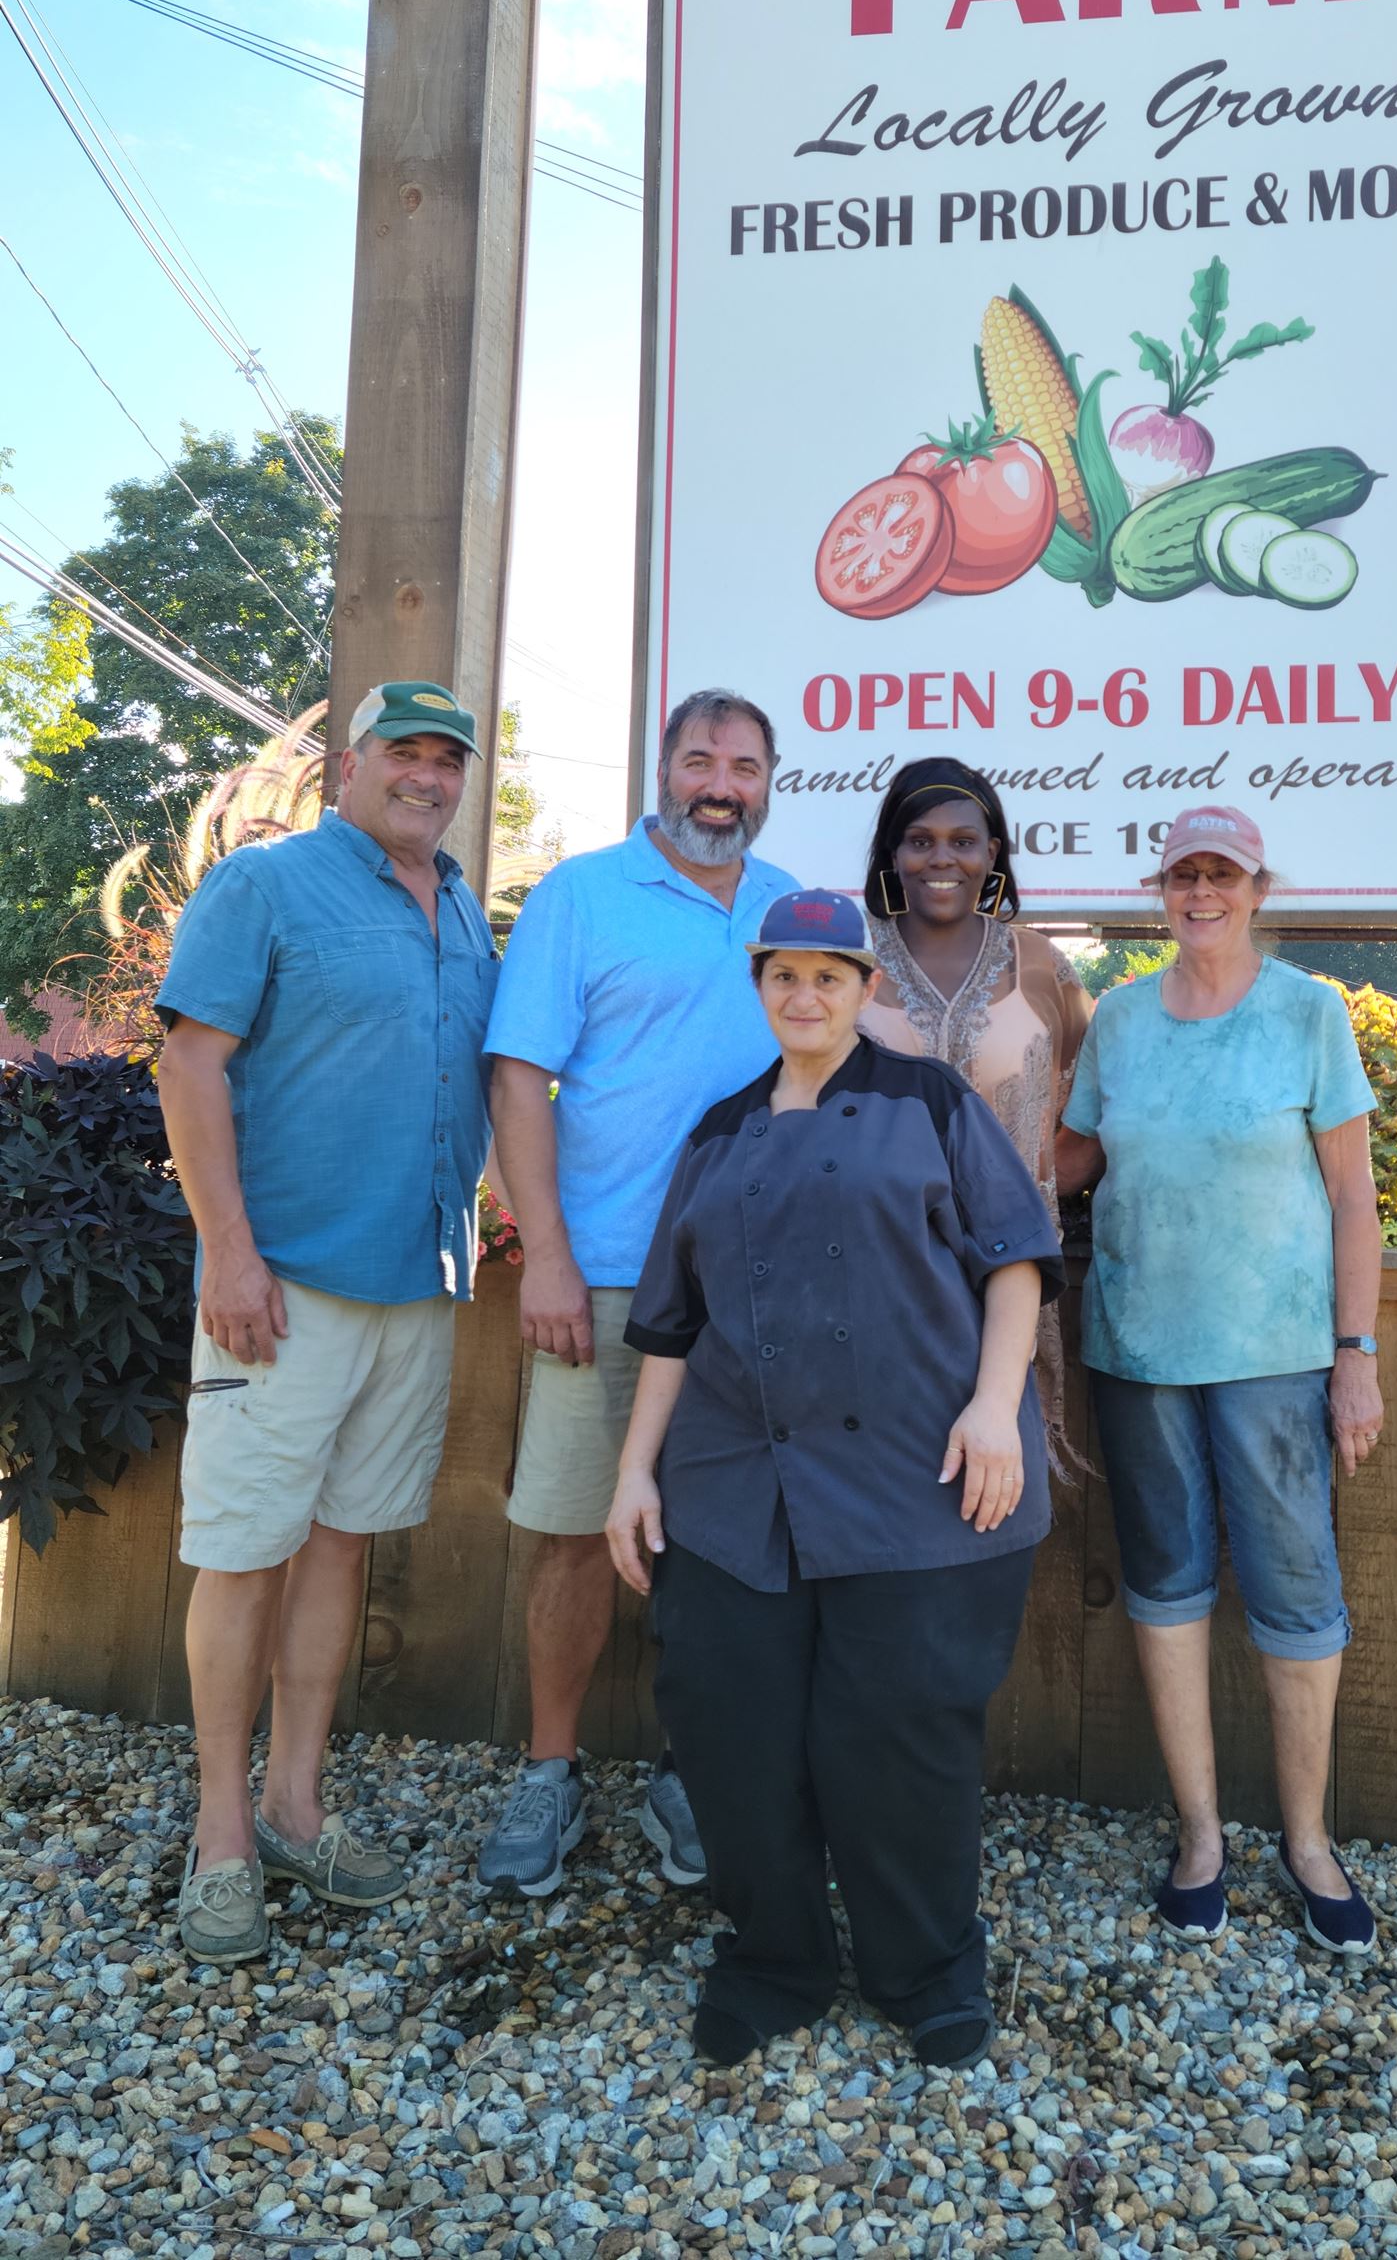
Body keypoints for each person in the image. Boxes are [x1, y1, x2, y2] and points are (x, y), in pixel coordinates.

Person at [605, 890, 1062, 2071]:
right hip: (734, 1487)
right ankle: (775, 1958)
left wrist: (993, 1403)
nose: (805, 996)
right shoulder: (717, 1131)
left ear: (868, 990)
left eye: (829, 975)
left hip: (916, 1473)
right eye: (783, 976)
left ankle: (925, 1968)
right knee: (728, 1726)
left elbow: (1016, 1263)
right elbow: (668, 1325)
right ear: (759, 988)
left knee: (900, 1736)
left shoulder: (933, 1103)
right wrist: (632, 1476)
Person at [155, 681, 497, 1966]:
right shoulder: (267, 886)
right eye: (403, 751)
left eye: (445, 757)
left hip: (417, 1282)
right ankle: (225, 1834)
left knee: (343, 1547)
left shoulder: (463, 905)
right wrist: (228, 1254)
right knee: (243, 1551)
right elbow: (189, 1064)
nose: (425, 774)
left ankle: (298, 1802)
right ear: (349, 763)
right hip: (281, 1284)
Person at [476, 688, 797, 1898]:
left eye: (746, 765)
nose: (722, 782)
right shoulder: (580, 897)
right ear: (663, 770)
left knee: (724, 1542)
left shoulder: (789, 909)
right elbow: (519, 1082)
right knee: (570, 1530)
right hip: (607, 1270)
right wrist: (544, 1250)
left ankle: (688, 1771)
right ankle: (551, 1774)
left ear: (771, 783)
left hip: (752, 1286)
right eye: (701, 759)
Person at [1054, 806, 1385, 1953]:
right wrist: (948, 1142)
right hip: (1136, 1351)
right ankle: (1200, 1835)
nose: (1202, 891)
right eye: (1183, 874)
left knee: (1297, 1591)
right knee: (1167, 1582)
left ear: (1256, 887)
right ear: (1160, 889)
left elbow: (1353, 1197)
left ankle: (1307, 1839)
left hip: (1279, 1360)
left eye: (1222, 874)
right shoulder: (1122, 1019)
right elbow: (1075, 1156)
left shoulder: (1310, 1011)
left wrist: (1357, 1355)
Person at [859, 758, 1092, 1220]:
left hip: (1014, 1272)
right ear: (892, 854)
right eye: (920, 841)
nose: (942, 858)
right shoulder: (849, 958)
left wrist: (1037, 1192)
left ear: (991, 853)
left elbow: (1088, 1111)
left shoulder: (1042, 965)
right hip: (875, 1267)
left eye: (963, 842)